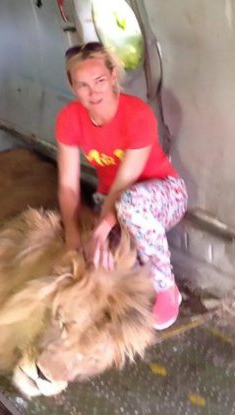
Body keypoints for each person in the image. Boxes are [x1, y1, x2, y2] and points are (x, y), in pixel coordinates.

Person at [55, 41, 188, 330]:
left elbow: (125, 183)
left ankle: (168, 290)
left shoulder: (137, 114)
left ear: (113, 76)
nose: (93, 92)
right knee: (97, 255)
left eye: (100, 80)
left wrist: (103, 229)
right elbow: (68, 186)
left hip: (163, 192)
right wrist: (73, 235)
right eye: (83, 85)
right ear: (71, 86)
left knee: (127, 209)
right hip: (113, 200)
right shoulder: (69, 119)